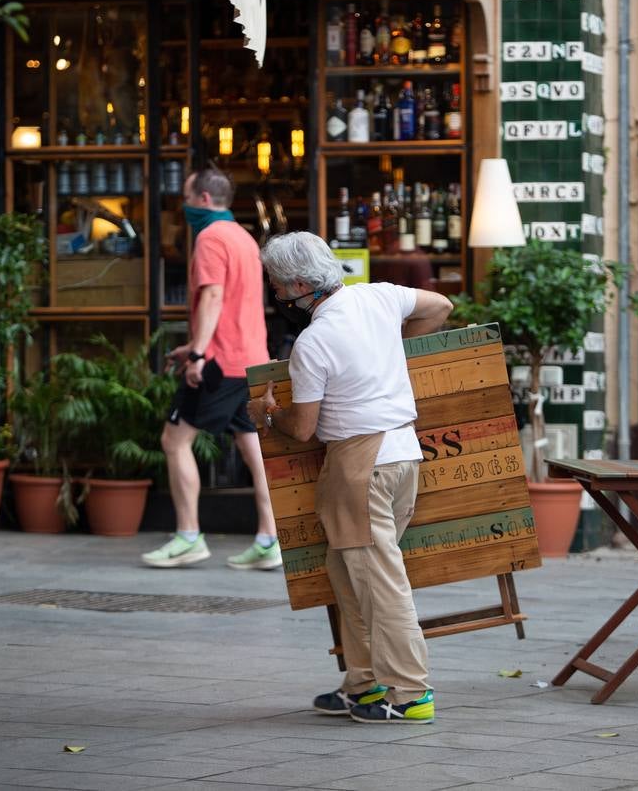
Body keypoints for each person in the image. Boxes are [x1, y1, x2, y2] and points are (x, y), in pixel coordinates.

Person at [248, 232, 453, 723]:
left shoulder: (313, 341)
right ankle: (364, 684)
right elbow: (441, 305)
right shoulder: (379, 295)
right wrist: (394, 348)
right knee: (349, 575)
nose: (276, 295)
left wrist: (266, 414)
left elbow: (303, 429)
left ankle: (410, 695)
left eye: (277, 286)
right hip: (403, 454)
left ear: (299, 284)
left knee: (380, 583)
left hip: (359, 465)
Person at [141, 167, 280, 570]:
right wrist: (193, 346)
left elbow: (215, 297)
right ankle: (270, 539)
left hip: (220, 363)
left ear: (203, 199)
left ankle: (188, 536)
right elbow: (236, 305)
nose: (182, 206)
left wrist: (199, 353)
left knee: (174, 440)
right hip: (249, 359)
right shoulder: (241, 236)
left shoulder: (210, 237)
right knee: (252, 448)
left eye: (185, 197)